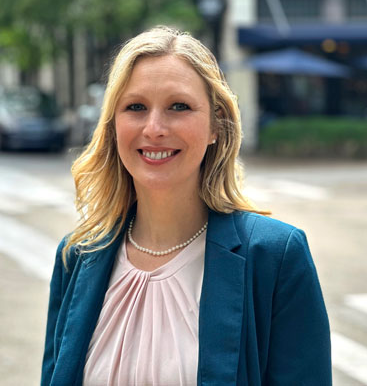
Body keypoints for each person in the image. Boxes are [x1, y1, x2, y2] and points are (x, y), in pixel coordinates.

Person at [41, 26, 331, 386]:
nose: (155, 128)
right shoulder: (76, 256)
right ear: (113, 125)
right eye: (135, 107)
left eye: (179, 106)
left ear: (215, 126)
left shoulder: (275, 256)